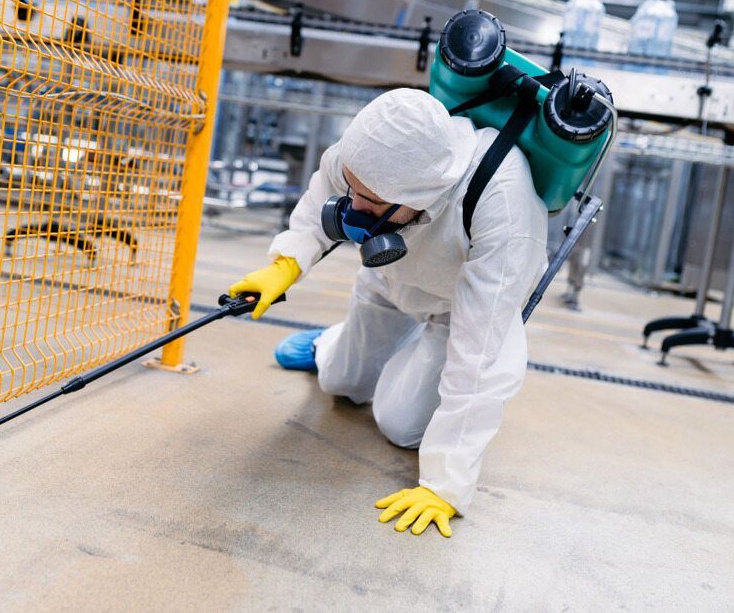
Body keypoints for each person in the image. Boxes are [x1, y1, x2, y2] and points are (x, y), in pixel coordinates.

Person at [229, 88, 548, 538]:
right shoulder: (369, 153)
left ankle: (421, 354)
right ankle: (328, 343)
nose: (354, 209)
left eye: (372, 203)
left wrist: (445, 484)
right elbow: (322, 193)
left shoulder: (502, 202)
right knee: (341, 383)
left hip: (457, 309)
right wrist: (288, 261)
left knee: (401, 426)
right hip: (388, 278)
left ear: (424, 191)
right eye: (353, 191)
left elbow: (483, 351)